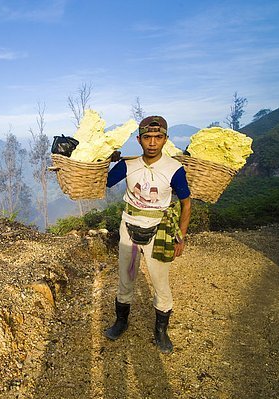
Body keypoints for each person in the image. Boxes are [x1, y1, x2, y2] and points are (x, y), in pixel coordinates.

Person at [103, 115, 191, 354]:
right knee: (126, 276)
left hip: (159, 229)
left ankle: (161, 331)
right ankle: (121, 322)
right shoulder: (128, 165)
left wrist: (180, 237)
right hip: (128, 227)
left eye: (158, 137)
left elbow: (186, 203)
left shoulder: (174, 169)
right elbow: (104, 182)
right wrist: (106, 161)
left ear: (165, 139)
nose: (153, 142)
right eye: (148, 137)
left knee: (160, 282)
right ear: (139, 140)